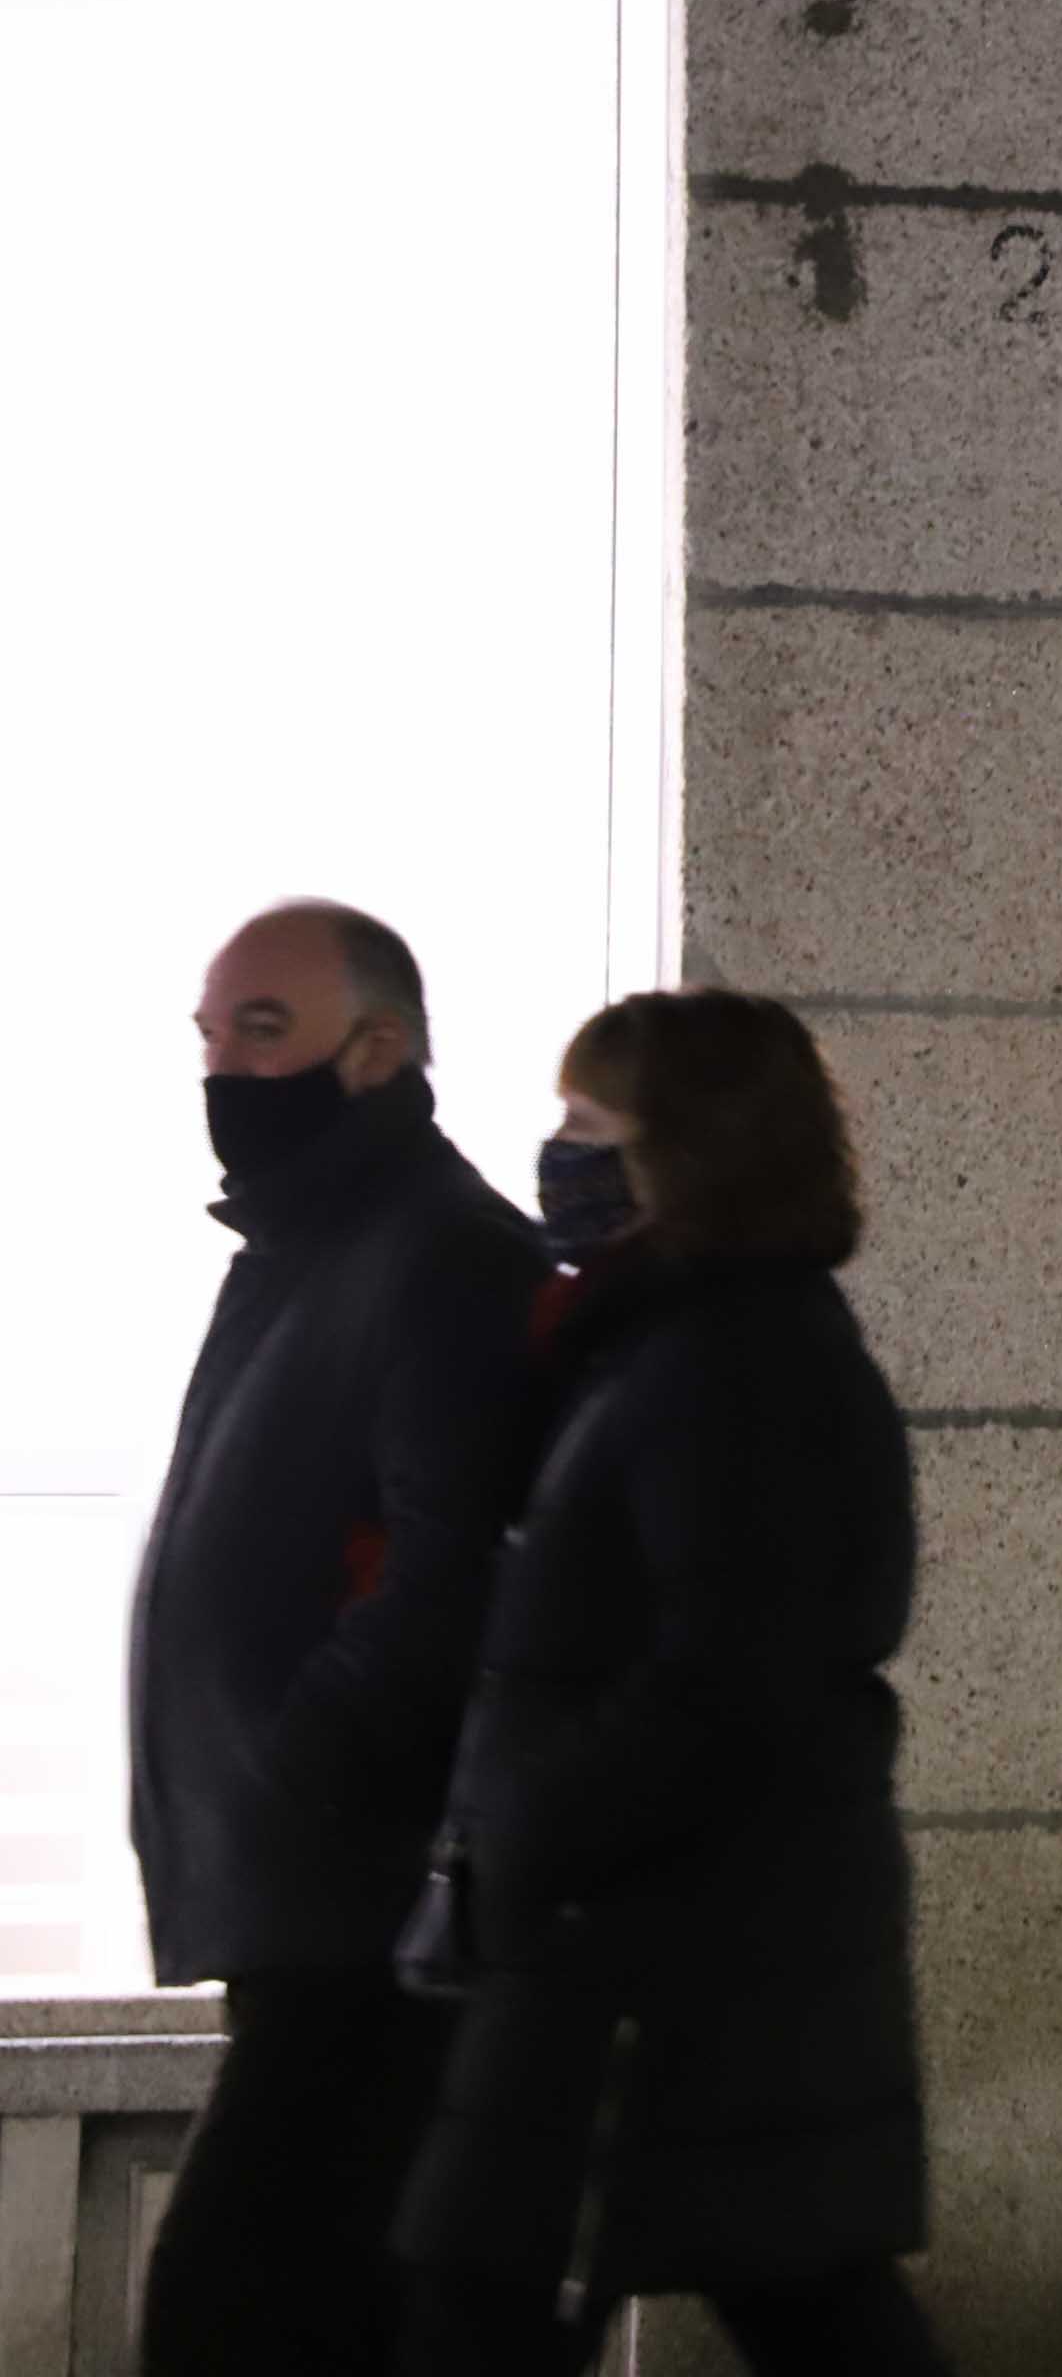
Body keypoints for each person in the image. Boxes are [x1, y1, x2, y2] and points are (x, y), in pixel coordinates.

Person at [397, 991, 949, 2374]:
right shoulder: (678, 1344)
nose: (558, 1154)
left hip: (643, 1962)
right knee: (803, 2296)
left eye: (591, 1125)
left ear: (686, 1154)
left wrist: (534, 1827)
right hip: (665, 1949)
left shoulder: (730, 1362)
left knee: (495, 2306)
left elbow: (726, 1671)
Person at [133, 902, 547, 2376]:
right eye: (210, 1030)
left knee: (231, 2312)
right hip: (304, 1889)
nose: (223, 1068)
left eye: (265, 1029)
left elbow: (444, 1578)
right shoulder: (313, 1242)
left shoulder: (434, 1250)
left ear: (376, 1052)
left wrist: (302, 1761)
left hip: (366, 1902)